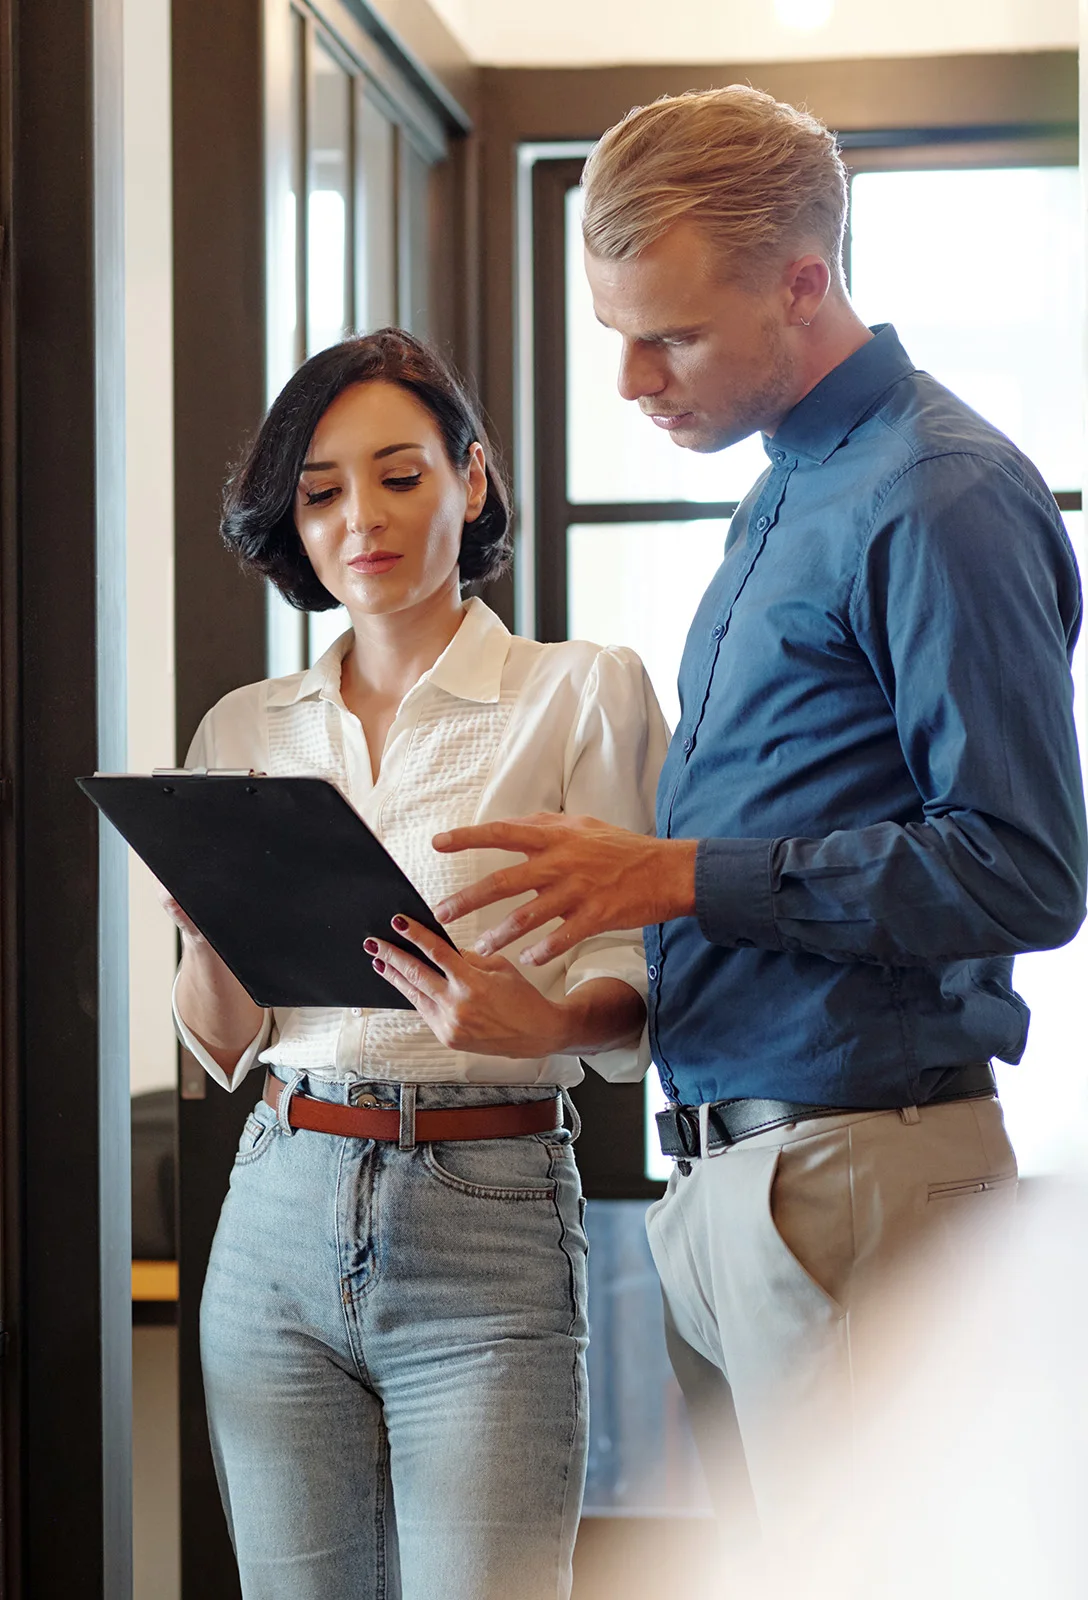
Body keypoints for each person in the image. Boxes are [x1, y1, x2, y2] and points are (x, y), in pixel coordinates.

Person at [433, 85, 1088, 1559]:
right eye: (613, 331)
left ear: (805, 285)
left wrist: (666, 873)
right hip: (738, 1187)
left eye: (667, 335)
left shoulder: (935, 493)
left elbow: (1026, 871)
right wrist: (579, 1014)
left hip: (863, 1179)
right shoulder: (787, 490)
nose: (629, 382)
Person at [167, 328, 668, 1600]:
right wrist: (201, 926)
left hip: (487, 1209)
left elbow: (647, 980)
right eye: (320, 492)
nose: (359, 521)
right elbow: (223, 1040)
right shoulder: (243, 724)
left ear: (473, 479)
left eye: (398, 476)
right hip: (278, 1195)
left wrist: (537, 1019)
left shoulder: (580, 694)